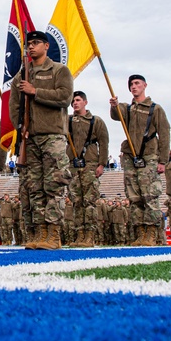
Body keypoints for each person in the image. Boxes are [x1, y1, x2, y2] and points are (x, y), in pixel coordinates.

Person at [8, 31, 74, 250]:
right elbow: (14, 105)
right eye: (28, 44)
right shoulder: (22, 75)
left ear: (46, 46)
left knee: (53, 185)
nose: (31, 47)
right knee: (34, 188)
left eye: (35, 43)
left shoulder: (59, 70)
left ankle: (53, 234)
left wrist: (35, 91)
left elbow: (65, 97)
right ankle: (40, 232)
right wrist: (20, 127)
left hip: (53, 135)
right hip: (30, 137)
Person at [109, 74, 171, 247]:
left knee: (149, 194)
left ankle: (151, 232)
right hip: (130, 156)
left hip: (149, 155)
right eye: (131, 84)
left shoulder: (154, 108)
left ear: (145, 85)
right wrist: (114, 105)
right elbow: (116, 115)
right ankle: (140, 232)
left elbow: (164, 133)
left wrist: (163, 161)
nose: (134, 86)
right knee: (134, 196)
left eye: (137, 83)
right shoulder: (128, 109)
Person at [65, 90, 109, 247]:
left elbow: (104, 143)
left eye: (77, 100)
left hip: (90, 165)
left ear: (85, 102)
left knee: (89, 202)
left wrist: (102, 163)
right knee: (76, 202)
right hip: (73, 166)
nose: (75, 103)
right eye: (72, 101)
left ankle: (89, 235)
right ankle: (80, 234)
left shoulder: (96, 121)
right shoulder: (67, 120)